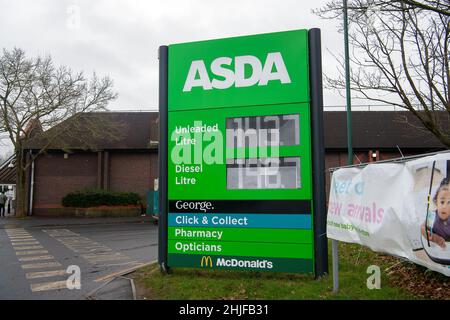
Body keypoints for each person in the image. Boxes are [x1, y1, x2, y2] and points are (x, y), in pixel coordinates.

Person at [422, 178, 450, 248]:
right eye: (442, 202)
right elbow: (423, 228)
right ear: (436, 202)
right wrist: (435, 238)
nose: (444, 206)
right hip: (438, 250)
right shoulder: (432, 216)